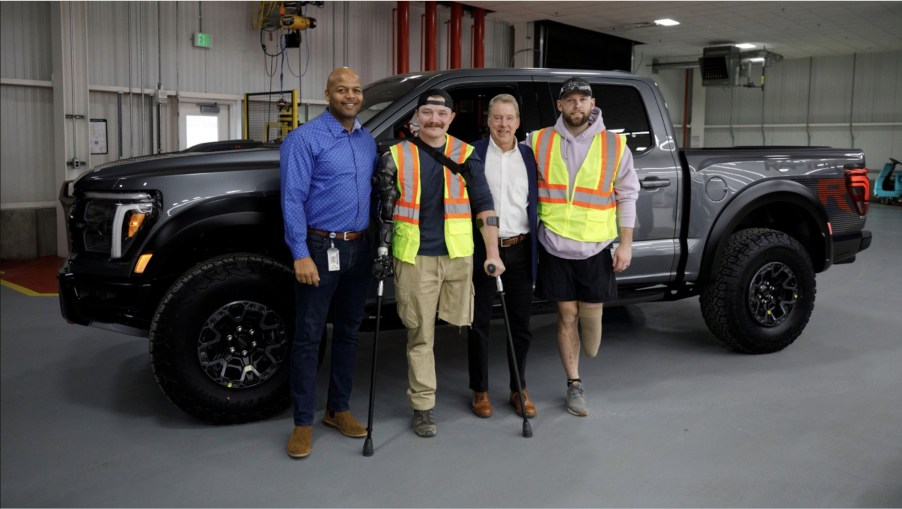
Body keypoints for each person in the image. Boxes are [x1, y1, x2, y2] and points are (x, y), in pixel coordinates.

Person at [374, 88, 504, 437]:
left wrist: (492, 253)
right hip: (415, 259)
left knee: (465, 324)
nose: (434, 119)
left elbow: (485, 206)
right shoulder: (395, 156)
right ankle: (423, 407)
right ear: (416, 116)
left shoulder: (466, 154)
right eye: (427, 113)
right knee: (420, 336)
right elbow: (384, 212)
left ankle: (479, 390)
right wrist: (383, 252)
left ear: (451, 118)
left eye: (441, 114)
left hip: (458, 259)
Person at [280, 67, 377, 459]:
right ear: (327, 94)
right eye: (342, 90)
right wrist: (300, 253)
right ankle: (303, 423)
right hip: (320, 249)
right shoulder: (304, 139)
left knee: (350, 333)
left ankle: (338, 410)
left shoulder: (367, 140)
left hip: (359, 249)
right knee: (309, 336)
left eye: (355, 90)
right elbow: (291, 199)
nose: (350, 96)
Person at [528, 77, 640, 416]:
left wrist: (626, 244)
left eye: (583, 99)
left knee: (591, 326)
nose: (577, 105)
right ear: (560, 105)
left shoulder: (614, 145)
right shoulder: (538, 140)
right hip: (554, 245)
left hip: (594, 247)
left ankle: (586, 350)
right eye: (570, 99)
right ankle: (574, 383)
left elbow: (628, 194)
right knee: (567, 315)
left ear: (593, 105)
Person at [467, 94, 539, 419]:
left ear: (518, 122)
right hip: (482, 249)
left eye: (509, 118)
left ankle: (518, 386)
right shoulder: (474, 153)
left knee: (521, 324)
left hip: (521, 247)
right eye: (497, 118)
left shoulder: (530, 156)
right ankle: (479, 389)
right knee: (479, 321)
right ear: (488, 121)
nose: (503, 124)